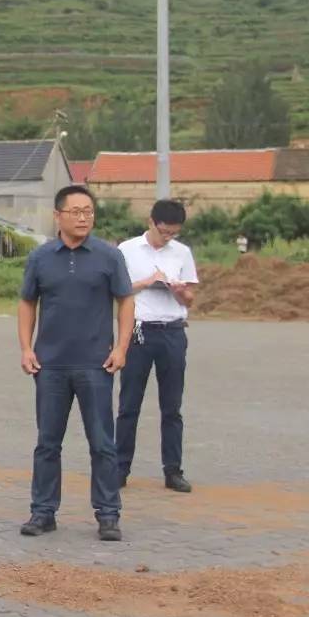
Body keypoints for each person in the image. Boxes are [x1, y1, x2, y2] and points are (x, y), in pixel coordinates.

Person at [18, 185, 134, 541]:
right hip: (50, 365)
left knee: (102, 443)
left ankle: (108, 514)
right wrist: (26, 348)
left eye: (88, 211)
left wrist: (122, 348)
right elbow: (27, 303)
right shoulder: (40, 258)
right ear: (58, 216)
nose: (83, 217)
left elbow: (126, 301)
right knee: (48, 443)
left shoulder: (108, 256)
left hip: (96, 365)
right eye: (76, 211)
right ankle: (43, 512)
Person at [116, 199, 199, 493]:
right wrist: (148, 281)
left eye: (174, 234)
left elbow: (191, 298)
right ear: (151, 222)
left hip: (172, 331)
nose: (168, 238)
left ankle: (173, 470)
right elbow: (118, 290)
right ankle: (120, 467)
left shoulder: (182, 253)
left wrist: (179, 291)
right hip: (138, 331)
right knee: (129, 405)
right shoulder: (126, 250)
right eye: (164, 232)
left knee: (172, 406)